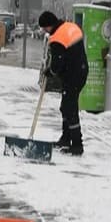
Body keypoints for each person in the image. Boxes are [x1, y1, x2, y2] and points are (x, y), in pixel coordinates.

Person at [37, 10, 88, 156]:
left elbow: (57, 62)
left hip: (72, 75)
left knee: (69, 108)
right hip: (80, 72)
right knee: (66, 107)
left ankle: (77, 144)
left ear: (48, 25)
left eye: (44, 28)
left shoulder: (57, 38)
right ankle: (66, 139)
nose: (44, 31)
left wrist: (50, 72)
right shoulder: (71, 27)